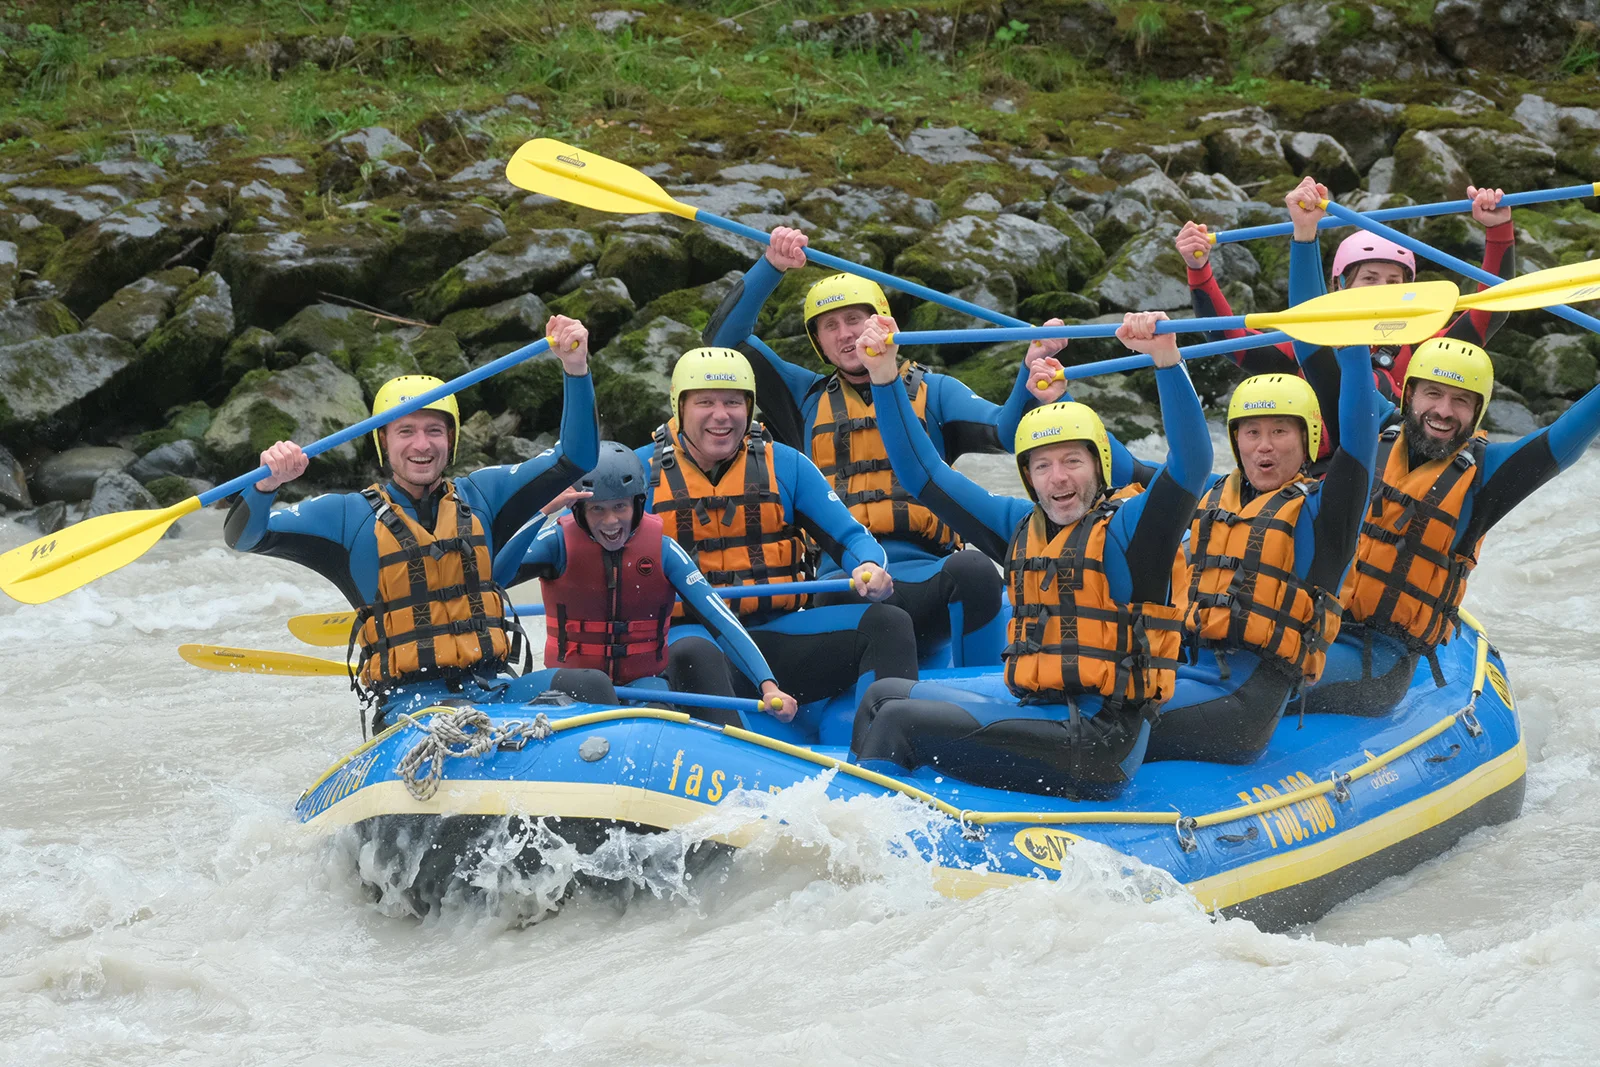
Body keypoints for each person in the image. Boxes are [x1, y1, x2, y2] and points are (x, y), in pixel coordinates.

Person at [847, 312, 1211, 796]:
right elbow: (923, 476)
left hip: (1100, 741)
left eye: (1072, 462)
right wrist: (885, 377)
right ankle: (857, 813)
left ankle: (865, 845)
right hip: (1042, 713)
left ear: (1100, 467)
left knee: (896, 718)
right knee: (879, 695)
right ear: (1029, 477)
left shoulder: (1133, 530)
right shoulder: (1020, 527)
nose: (1058, 478)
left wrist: (1166, 360)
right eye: (1042, 466)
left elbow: (1191, 466)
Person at [225, 315, 600, 732]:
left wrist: (575, 368)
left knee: (593, 687)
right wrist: (266, 485)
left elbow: (577, 458)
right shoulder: (346, 518)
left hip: (493, 689)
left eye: (434, 430)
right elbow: (244, 537)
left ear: (451, 440)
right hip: (411, 705)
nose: (421, 445)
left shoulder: (484, 496)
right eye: (406, 431)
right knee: (458, 724)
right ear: (383, 441)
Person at [703, 226, 1006, 666]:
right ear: (819, 342)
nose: (845, 335)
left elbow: (1008, 428)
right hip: (843, 587)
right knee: (861, 612)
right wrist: (772, 266)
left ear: (883, 321)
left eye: (855, 320)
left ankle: (984, 696)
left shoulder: (936, 393)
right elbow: (722, 344)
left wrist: (1035, 380)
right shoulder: (801, 399)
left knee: (977, 571)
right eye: (830, 326)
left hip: (928, 578)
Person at [1304, 334, 1600, 715]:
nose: (1444, 410)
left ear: (1477, 412)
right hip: (1313, 621)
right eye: (1433, 393)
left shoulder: (1488, 476)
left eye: (1460, 400)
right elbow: (1313, 348)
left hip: (1379, 658)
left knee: (1276, 668)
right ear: (1409, 394)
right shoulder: (1371, 425)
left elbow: (1572, 432)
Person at [640, 346, 920, 744]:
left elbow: (852, 537)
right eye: (705, 402)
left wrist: (868, 565)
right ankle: (731, 768)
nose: (721, 415)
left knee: (887, 623)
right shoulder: (637, 474)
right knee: (692, 653)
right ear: (679, 407)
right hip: (692, 644)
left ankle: (891, 754)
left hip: (776, 634)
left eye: (734, 403)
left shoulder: (785, 464)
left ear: (750, 408)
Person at [1149, 330, 1381, 763]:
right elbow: (1149, 462)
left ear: (1309, 438)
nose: (1264, 445)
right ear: (1236, 442)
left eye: (1280, 431)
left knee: (1110, 717)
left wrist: (1352, 351)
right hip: (1185, 674)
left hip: (1242, 708)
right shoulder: (1215, 497)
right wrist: (1165, 358)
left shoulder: (1326, 514)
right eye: (1251, 432)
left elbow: (1359, 444)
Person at [495, 442, 798, 727]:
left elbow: (720, 618)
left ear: (638, 505)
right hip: (570, 682)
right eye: (597, 509)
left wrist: (768, 685)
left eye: (620, 507)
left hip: (642, 681)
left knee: (667, 691)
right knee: (594, 684)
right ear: (579, 511)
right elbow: (495, 577)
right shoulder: (557, 544)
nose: (611, 522)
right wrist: (541, 513)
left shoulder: (664, 551)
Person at [1174, 176, 1514, 403]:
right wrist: (1198, 269)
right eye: (1370, 278)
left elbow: (1491, 310)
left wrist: (1498, 230)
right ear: (1339, 286)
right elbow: (1227, 339)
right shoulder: (1305, 347)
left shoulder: (1427, 347)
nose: (1383, 289)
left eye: (1394, 282)